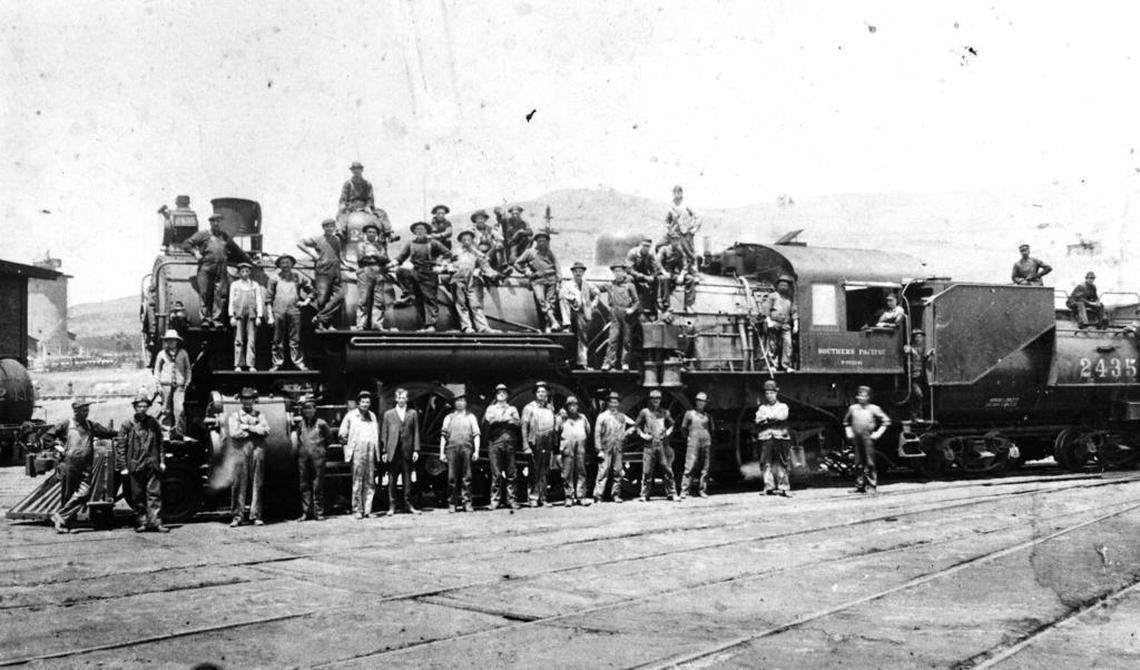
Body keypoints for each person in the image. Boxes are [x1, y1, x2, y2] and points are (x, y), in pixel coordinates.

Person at [49, 400, 117, 533]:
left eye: (87, 410)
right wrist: (58, 447)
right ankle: (64, 524)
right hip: (69, 464)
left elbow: (106, 433)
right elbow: (47, 436)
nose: (86, 413)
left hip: (86, 464)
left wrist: (123, 432)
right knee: (68, 494)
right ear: (75, 411)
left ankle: (60, 516)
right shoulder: (66, 424)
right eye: (83, 410)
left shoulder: (90, 425)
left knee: (85, 492)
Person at [183, 213, 251, 327]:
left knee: (220, 294)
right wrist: (195, 252)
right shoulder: (203, 234)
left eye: (218, 221)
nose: (216, 223)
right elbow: (186, 243)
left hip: (221, 268)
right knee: (204, 292)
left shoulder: (224, 236)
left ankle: (216, 319)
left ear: (220, 223)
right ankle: (205, 319)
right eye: (214, 221)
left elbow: (237, 250)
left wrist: (250, 261)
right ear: (210, 223)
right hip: (206, 267)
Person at [116, 394, 169, 532]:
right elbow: (120, 446)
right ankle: (142, 522)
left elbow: (160, 443)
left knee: (154, 493)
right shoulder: (127, 424)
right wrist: (123, 466)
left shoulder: (153, 423)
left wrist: (162, 461)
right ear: (135, 407)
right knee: (137, 495)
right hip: (136, 463)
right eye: (139, 406)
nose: (142, 409)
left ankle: (155, 522)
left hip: (152, 462)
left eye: (145, 406)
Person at [395, 221, 451, 331]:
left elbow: (448, 253)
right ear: (414, 232)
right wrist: (392, 263)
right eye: (417, 230)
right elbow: (401, 257)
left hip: (429, 273)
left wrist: (441, 264)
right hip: (416, 272)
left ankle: (431, 325)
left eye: (421, 229)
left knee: (430, 299)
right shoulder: (410, 243)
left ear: (426, 231)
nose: (419, 231)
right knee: (401, 272)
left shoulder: (433, 243)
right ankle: (408, 294)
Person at [228, 387, 270, 526]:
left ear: (254, 400)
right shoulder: (235, 415)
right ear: (240, 400)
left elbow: (266, 430)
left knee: (257, 483)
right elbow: (234, 433)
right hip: (240, 451)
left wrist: (247, 428)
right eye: (244, 399)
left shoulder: (260, 415)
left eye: (250, 399)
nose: (247, 402)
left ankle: (256, 515)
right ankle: (237, 516)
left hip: (258, 451)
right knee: (239, 483)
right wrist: (255, 431)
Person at [297, 218, 347, 330]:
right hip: (323, 270)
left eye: (332, 226)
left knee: (340, 295)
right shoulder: (318, 239)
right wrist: (311, 253)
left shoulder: (337, 240)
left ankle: (320, 317)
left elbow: (338, 255)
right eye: (327, 226)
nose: (330, 228)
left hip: (336, 270)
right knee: (322, 298)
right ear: (323, 228)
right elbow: (300, 242)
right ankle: (324, 324)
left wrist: (346, 265)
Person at [266, 254, 312, 370]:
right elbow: (268, 299)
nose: (285, 265)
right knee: (277, 340)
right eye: (283, 263)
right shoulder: (274, 278)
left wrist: (306, 301)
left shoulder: (298, 277)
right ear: (279, 265)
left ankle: (298, 362)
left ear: (292, 264)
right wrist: (270, 316)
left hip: (294, 311)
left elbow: (311, 291)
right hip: (278, 312)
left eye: (287, 262)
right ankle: (277, 363)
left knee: (295, 339)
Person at [339, 390, 380, 519]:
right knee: (357, 481)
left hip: (370, 451)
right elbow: (342, 434)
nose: (365, 404)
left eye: (367, 402)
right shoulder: (351, 416)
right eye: (363, 402)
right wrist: (350, 447)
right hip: (357, 451)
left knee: (370, 481)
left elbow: (376, 434)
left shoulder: (372, 416)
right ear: (358, 403)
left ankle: (368, 510)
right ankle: (357, 509)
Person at [381, 387, 421, 516]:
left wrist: (416, 450)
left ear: (407, 399)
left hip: (407, 451)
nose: (401, 400)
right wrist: (384, 451)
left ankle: (408, 504)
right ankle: (392, 505)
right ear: (396, 399)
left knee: (407, 480)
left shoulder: (412, 413)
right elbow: (384, 434)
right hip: (393, 451)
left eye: (404, 398)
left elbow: (416, 432)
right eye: (399, 398)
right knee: (392, 480)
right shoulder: (388, 414)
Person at [843, 386, 890, 494]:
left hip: (868, 437)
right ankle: (859, 485)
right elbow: (846, 421)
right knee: (858, 462)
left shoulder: (874, 408)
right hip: (857, 437)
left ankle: (872, 485)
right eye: (859, 395)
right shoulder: (853, 408)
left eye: (864, 395)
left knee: (870, 462)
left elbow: (886, 421)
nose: (861, 397)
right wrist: (848, 431)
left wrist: (878, 433)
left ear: (869, 397)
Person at [451, 229, 499, 333]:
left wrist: (493, 274)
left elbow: (485, 265)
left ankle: (482, 327)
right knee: (461, 303)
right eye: (464, 240)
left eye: (469, 239)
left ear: (472, 240)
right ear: (461, 241)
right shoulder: (456, 252)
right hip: (458, 279)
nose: (467, 242)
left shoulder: (477, 253)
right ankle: (466, 327)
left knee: (476, 304)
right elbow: (447, 263)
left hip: (472, 280)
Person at [513, 231, 562, 332]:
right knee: (541, 301)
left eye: (544, 241)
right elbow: (517, 263)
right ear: (536, 242)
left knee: (551, 302)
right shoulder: (530, 252)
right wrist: (525, 271)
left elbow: (557, 265)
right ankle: (554, 322)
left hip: (551, 279)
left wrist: (559, 278)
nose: (542, 243)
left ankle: (549, 325)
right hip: (537, 280)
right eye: (539, 241)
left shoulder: (549, 252)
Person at [483, 383, 521, 510]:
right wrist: (506, 419)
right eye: (499, 392)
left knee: (512, 473)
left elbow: (516, 422)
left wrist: (501, 420)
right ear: (496, 395)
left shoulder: (513, 409)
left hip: (509, 442)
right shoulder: (490, 408)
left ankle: (512, 500)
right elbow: (490, 421)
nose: (501, 394)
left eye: (504, 393)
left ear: (507, 395)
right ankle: (495, 500)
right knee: (496, 473)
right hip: (495, 442)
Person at [440, 394, 480, 513]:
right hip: (451, 449)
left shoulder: (471, 417)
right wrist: (441, 452)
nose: (460, 403)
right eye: (457, 400)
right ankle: (452, 504)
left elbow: (476, 435)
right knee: (452, 478)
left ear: (466, 403)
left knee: (467, 477)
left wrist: (476, 451)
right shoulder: (449, 417)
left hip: (467, 449)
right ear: (454, 403)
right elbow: (443, 436)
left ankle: (467, 503)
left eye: (462, 400)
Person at [292, 398, 330, 521]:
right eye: (305, 408)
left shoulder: (322, 423)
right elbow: (298, 439)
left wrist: (320, 450)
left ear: (315, 409)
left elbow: (329, 439)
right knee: (304, 485)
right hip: (303, 459)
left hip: (318, 458)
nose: (308, 411)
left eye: (310, 408)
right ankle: (306, 512)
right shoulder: (301, 424)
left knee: (317, 485)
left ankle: (318, 512)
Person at [521, 381, 558, 507]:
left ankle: (543, 497)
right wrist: (525, 445)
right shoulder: (529, 408)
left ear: (547, 393)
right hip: (535, 441)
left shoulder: (550, 408)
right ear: (535, 394)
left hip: (547, 442)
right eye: (539, 392)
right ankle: (533, 498)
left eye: (543, 391)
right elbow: (524, 426)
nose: (541, 394)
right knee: (534, 469)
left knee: (545, 470)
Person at [635, 389, 676, 502]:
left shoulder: (664, 412)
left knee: (667, 469)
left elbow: (672, 424)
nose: (655, 400)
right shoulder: (645, 412)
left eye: (657, 398)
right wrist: (642, 435)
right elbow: (637, 425)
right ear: (650, 399)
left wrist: (667, 432)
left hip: (662, 444)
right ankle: (644, 495)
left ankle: (672, 493)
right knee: (647, 471)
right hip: (649, 445)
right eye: (653, 398)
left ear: (660, 400)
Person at [593, 391, 634, 503]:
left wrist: (628, 432)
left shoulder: (622, 416)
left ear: (618, 404)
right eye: (611, 402)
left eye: (616, 402)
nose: (614, 404)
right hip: (606, 447)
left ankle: (615, 495)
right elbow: (597, 434)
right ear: (608, 403)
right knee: (603, 471)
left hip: (618, 447)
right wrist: (599, 450)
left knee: (618, 471)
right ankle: (598, 496)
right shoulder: (602, 417)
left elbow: (635, 424)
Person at [600, 262, 640, 371]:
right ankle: (608, 363)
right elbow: (596, 289)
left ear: (624, 273)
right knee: (613, 339)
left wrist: (631, 310)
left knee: (626, 340)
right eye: (615, 271)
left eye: (620, 271)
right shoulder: (610, 285)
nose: (617, 273)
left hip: (627, 315)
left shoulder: (630, 286)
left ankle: (625, 363)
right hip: (614, 314)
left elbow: (636, 301)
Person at [755, 380, 791, 497]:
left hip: (780, 436)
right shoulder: (762, 408)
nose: (769, 395)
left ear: (776, 393)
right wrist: (773, 418)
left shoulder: (783, 406)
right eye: (767, 393)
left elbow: (783, 416)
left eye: (771, 393)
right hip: (766, 437)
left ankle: (784, 487)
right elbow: (758, 420)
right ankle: (768, 487)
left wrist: (767, 418)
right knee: (766, 463)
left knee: (782, 462)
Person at [560, 261, 600, 368]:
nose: (578, 273)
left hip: (583, 313)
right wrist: (572, 298)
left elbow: (597, 293)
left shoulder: (587, 284)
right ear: (572, 272)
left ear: (583, 273)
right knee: (563, 299)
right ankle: (566, 325)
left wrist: (593, 305)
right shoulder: (567, 285)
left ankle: (582, 362)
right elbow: (561, 294)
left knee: (583, 337)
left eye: (580, 271)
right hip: (572, 311)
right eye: (576, 271)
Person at [153, 329, 191, 435]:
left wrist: (187, 382)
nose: (171, 342)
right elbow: (157, 370)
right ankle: (165, 433)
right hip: (165, 385)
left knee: (179, 410)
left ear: (177, 341)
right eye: (168, 340)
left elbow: (188, 368)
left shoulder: (183, 353)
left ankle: (179, 432)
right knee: (166, 410)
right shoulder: (161, 354)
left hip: (179, 386)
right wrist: (158, 385)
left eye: (173, 340)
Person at [228, 262, 265, 371]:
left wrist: (259, 316)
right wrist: (231, 316)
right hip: (238, 314)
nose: (245, 273)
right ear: (239, 273)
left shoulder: (255, 284)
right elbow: (231, 300)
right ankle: (238, 364)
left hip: (252, 315)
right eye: (242, 271)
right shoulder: (234, 284)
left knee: (251, 340)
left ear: (250, 272)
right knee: (238, 339)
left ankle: (251, 364)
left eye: (247, 271)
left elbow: (258, 299)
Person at [556, 396, 591, 506]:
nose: (572, 407)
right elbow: (555, 433)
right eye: (570, 405)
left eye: (574, 405)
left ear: (577, 407)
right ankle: (569, 497)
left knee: (581, 472)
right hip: (567, 449)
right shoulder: (561, 419)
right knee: (567, 473)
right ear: (566, 407)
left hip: (580, 449)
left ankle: (581, 496)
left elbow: (588, 431)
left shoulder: (583, 418)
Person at [354, 223, 390, 331]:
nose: (371, 234)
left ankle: (377, 324)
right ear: (365, 233)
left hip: (378, 272)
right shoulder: (361, 245)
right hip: (365, 271)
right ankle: (360, 325)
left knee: (379, 300)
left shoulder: (380, 246)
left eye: (374, 232)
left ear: (377, 234)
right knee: (363, 299)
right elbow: (361, 258)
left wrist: (373, 255)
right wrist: (378, 258)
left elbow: (385, 259)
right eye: (369, 232)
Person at [679, 391, 714, 499]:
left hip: (706, 442)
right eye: (699, 401)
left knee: (705, 467)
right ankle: (684, 491)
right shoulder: (689, 414)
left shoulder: (708, 416)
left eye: (702, 401)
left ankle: (702, 490)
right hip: (693, 441)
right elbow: (683, 428)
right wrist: (689, 438)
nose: (700, 403)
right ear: (696, 402)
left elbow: (712, 429)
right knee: (690, 465)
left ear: (705, 403)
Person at [761, 275, 798, 370]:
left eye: (785, 285)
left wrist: (796, 324)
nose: (783, 286)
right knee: (773, 345)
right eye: (781, 284)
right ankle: (773, 365)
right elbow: (766, 309)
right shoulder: (772, 296)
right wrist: (769, 321)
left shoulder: (789, 299)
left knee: (788, 345)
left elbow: (794, 311)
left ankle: (786, 365)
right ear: (777, 285)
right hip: (774, 323)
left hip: (786, 325)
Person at [656, 234, 696, 315]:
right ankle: (666, 306)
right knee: (665, 279)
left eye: (678, 240)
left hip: (673, 274)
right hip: (662, 273)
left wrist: (681, 275)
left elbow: (685, 264)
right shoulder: (664, 250)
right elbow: (658, 262)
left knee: (690, 279)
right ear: (670, 241)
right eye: (674, 240)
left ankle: (688, 305)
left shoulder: (679, 251)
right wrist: (664, 272)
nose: (676, 242)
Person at [626, 238, 663, 320]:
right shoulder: (633, 253)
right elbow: (629, 269)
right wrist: (641, 276)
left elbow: (656, 268)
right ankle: (631, 303)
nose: (645, 248)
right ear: (640, 246)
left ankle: (655, 304)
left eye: (648, 246)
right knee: (629, 280)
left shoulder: (650, 254)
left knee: (657, 279)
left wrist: (652, 276)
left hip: (645, 276)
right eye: (644, 246)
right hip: (634, 275)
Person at [663, 185, 701, 263]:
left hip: (685, 233)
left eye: (678, 192)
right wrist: (669, 229)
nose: (676, 194)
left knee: (689, 253)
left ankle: (692, 271)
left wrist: (693, 230)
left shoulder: (687, 204)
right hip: (674, 233)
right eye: (674, 192)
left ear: (681, 193)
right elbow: (666, 220)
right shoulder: (671, 205)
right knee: (660, 245)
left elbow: (699, 217)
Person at [903, 330, 934, 421]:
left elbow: (922, 361)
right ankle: (914, 416)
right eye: (918, 338)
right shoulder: (909, 348)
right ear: (914, 339)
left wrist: (928, 355)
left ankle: (916, 416)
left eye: (921, 338)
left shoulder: (918, 351)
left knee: (917, 396)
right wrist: (906, 352)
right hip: (912, 377)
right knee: (918, 395)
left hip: (919, 376)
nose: (920, 339)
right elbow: (905, 357)